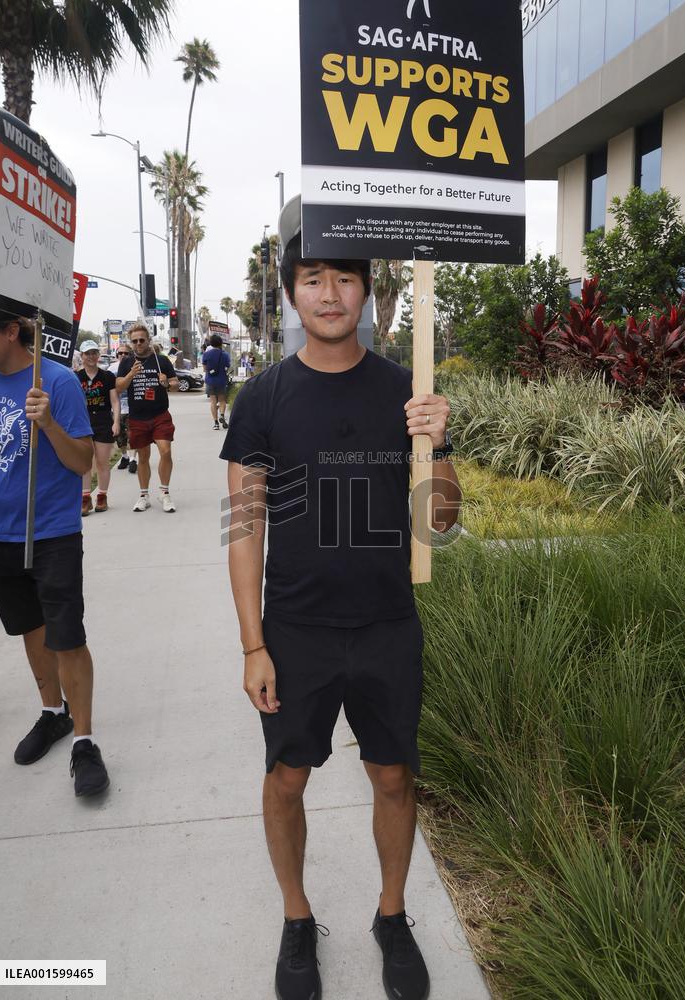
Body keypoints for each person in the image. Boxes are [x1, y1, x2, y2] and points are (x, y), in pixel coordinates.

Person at [221, 204, 461, 1000]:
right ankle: (297, 919)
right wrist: (254, 644)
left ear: (367, 290)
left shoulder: (407, 392)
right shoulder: (262, 398)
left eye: (345, 278)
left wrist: (439, 445)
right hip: (295, 631)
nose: (330, 293)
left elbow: (442, 525)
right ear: (292, 293)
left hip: (390, 625)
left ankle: (392, 916)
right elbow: (242, 529)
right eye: (313, 278)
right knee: (287, 778)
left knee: (394, 778)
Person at [0, 311, 110, 796]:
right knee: (31, 629)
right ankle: (53, 713)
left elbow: (84, 461)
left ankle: (84, 741)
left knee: (66, 636)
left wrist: (46, 425)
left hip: (52, 533)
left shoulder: (57, 383)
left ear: (10, 331)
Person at [115, 324, 179, 513]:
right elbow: (119, 386)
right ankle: (144, 496)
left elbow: (175, 383)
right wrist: (131, 375)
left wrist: (166, 382)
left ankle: (164, 493)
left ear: (148, 340)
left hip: (160, 415)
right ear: (131, 343)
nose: (138, 343)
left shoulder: (161, 360)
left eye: (142, 340)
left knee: (165, 451)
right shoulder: (127, 362)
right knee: (143, 457)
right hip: (138, 418)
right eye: (135, 341)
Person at [76, 341, 120, 514]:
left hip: (103, 420)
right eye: (88, 353)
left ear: (98, 355)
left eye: (94, 353)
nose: (91, 356)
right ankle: (85, 499)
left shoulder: (107, 376)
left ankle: (102, 496)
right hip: (83, 421)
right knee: (85, 463)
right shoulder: (76, 377)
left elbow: (115, 402)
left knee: (102, 462)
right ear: (82, 356)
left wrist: (116, 422)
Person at [107, 345, 136, 472]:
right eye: (120, 353)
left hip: (132, 406)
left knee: (132, 434)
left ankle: (132, 459)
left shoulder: (134, 368)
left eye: (126, 353)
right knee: (119, 436)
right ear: (116, 355)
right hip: (116, 408)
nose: (123, 355)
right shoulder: (110, 370)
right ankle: (124, 456)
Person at [202, 334, 230, 430]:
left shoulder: (206, 354)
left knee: (213, 402)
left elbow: (205, 368)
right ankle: (222, 414)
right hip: (221, 380)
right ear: (220, 343)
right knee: (222, 400)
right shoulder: (225, 354)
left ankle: (216, 423)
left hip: (210, 380)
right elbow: (227, 366)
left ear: (211, 343)